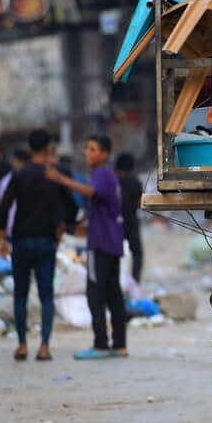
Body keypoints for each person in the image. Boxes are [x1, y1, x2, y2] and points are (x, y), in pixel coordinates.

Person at [48, 135, 127, 359]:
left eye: (92, 149)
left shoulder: (102, 174)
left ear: (104, 153)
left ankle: (101, 344)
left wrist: (62, 180)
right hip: (111, 242)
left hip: (101, 244)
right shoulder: (107, 174)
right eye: (86, 148)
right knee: (113, 294)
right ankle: (119, 344)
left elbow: (91, 193)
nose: (87, 153)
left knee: (95, 294)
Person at [0, 130, 65, 362]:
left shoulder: (19, 174)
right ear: (48, 148)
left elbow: (5, 205)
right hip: (46, 241)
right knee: (47, 295)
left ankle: (22, 345)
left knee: (20, 294)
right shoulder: (53, 175)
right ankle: (44, 346)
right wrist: (59, 231)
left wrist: (2, 235)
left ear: (29, 147)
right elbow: (62, 207)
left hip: (22, 241)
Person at [115, 153, 144, 283]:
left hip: (115, 222)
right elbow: (139, 202)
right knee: (136, 253)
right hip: (131, 221)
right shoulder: (135, 182)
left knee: (114, 254)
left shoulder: (113, 181)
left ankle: (115, 280)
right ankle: (134, 281)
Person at [0, 148, 30, 239]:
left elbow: (0, 206)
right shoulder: (34, 178)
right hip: (26, 228)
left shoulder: (6, 181)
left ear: (15, 161)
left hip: (11, 228)